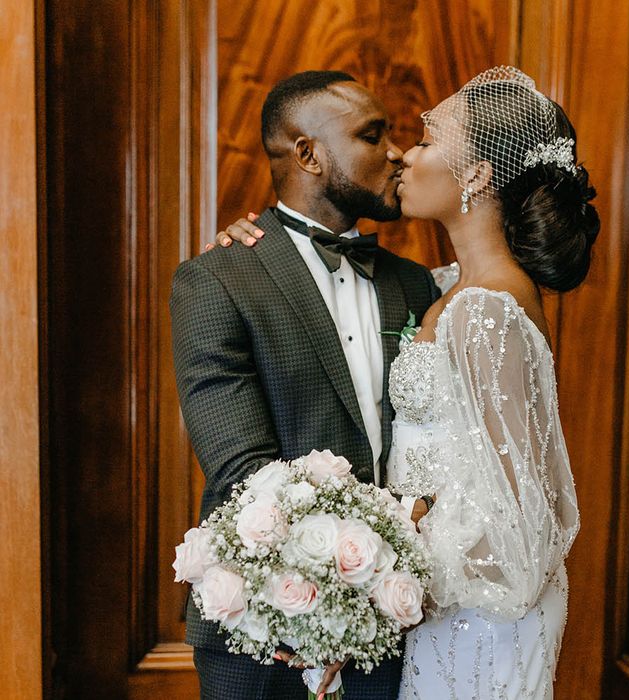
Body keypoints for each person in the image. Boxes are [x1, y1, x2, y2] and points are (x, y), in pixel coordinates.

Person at [219, 66, 599, 699]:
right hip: (442, 619)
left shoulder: (485, 311)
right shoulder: (447, 290)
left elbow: (522, 528)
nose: (404, 156)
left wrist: (372, 589)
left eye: (425, 141)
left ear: (476, 174)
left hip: (480, 620)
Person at [170, 70, 441, 700]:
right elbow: (242, 471)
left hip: (397, 629)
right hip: (264, 631)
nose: (397, 153)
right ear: (308, 154)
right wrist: (315, 596)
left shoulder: (416, 285)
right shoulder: (217, 280)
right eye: (373, 135)